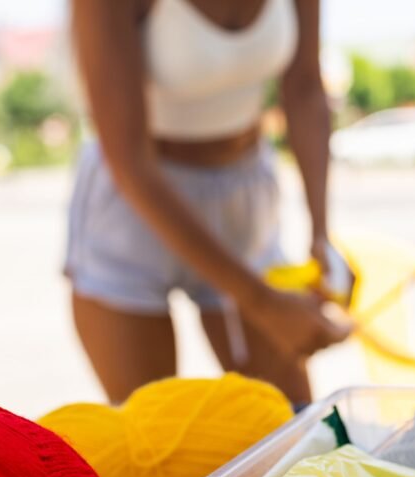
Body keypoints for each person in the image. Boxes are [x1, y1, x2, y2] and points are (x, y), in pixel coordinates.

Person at [67, 0, 347, 405]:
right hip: (136, 207)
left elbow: (305, 88)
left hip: (243, 201)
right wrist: (264, 303)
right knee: (154, 426)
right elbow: (130, 160)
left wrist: (321, 234)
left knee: (293, 421)